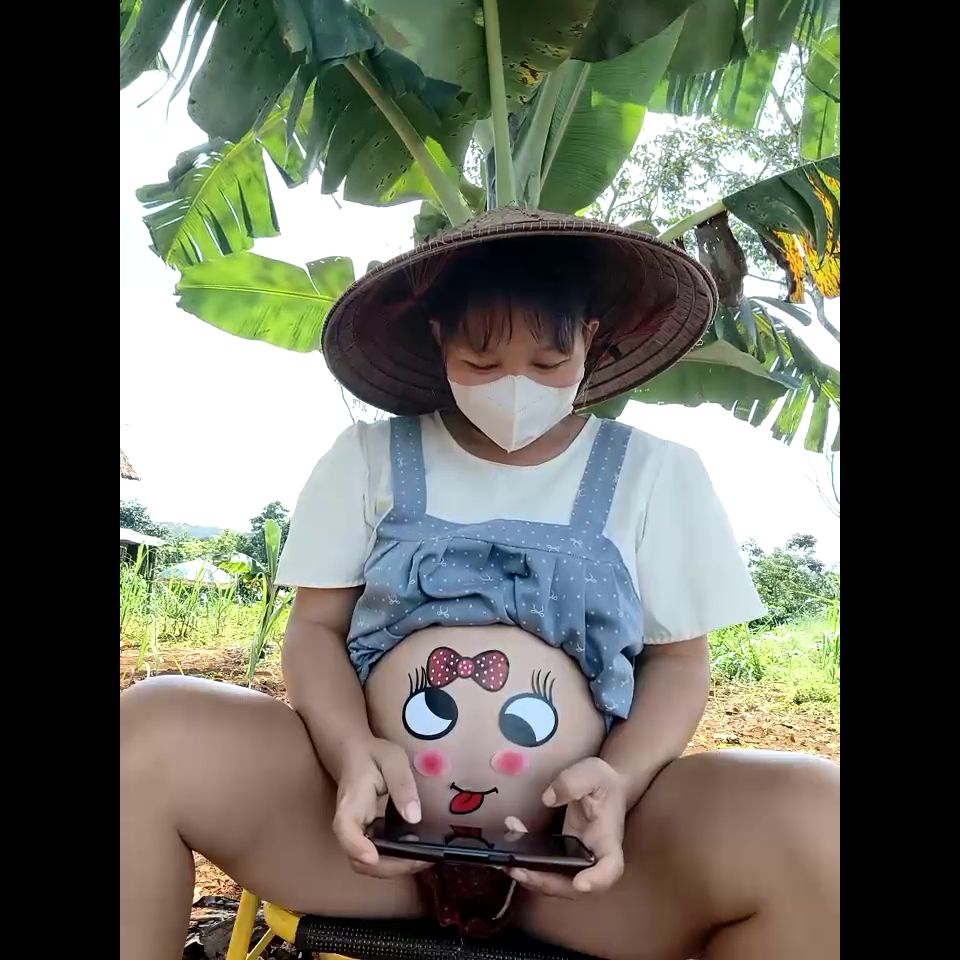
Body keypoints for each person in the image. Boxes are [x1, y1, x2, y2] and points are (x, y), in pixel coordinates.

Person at [120, 209, 839, 960]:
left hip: (581, 862)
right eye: (483, 363)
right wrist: (350, 751)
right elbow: (315, 632)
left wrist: (618, 783)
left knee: (818, 817)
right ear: (440, 340)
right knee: (150, 729)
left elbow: (681, 664)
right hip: (358, 835)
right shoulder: (366, 457)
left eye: (549, 362)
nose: (517, 386)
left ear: (589, 338)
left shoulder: (655, 474)